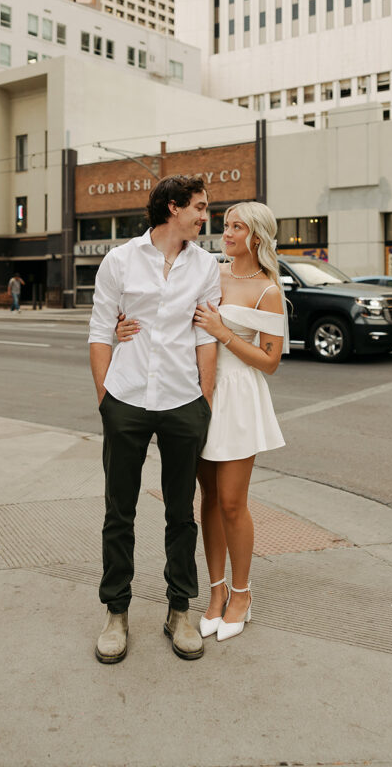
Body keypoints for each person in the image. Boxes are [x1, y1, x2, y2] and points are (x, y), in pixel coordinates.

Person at [116, 201, 286, 644]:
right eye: (226, 225)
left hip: (239, 397)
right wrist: (121, 329)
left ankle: (243, 595)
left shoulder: (269, 289)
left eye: (237, 227)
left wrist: (223, 331)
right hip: (195, 391)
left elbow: (270, 361)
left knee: (232, 501)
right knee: (206, 499)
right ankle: (215, 593)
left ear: (257, 236)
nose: (226, 233)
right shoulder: (209, 270)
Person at [88, 175, 221, 664]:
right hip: (126, 398)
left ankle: (178, 611)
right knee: (118, 511)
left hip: (182, 400)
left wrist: (203, 400)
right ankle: (116, 613)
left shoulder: (206, 265)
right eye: (200, 207)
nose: (205, 216)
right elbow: (101, 329)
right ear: (173, 208)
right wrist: (106, 397)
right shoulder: (120, 260)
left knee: (181, 513)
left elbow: (206, 336)